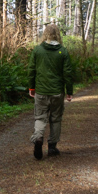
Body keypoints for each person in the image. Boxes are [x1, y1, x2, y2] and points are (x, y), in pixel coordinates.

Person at [28, 23, 74, 160]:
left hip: (41, 92)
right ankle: (52, 147)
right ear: (57, 35)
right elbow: (68, 73)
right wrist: (69, 91)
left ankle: (38, 139)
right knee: (55, 118)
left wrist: (31, 88)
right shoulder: (63, 51)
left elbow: (31, 70)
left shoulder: (38, 50)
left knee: (40, 117)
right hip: (57, 92)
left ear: (45, 34)